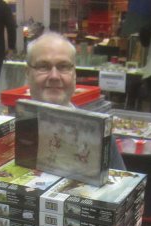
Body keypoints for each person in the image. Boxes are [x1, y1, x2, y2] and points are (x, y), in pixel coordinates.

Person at [25, 32, 126, 171]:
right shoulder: (7, 133)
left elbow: (123, 183)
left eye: (63, 66)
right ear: (27, 73)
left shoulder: (97, 132)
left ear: (74, 74)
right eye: (43, 66)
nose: (54, 76)